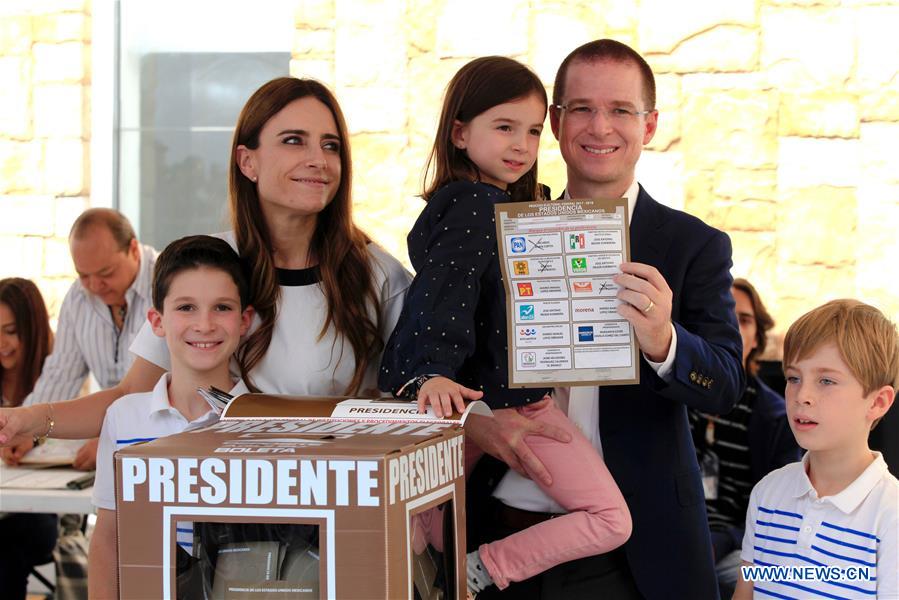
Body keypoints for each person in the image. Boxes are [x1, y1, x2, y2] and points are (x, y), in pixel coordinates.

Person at [463, 39, 744, 599]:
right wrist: (477, 420)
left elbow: (727, 384)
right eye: (582, 109)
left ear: (650, 125)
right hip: (499, 526)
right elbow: (450, 360)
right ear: (558, 122)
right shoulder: (497, 229)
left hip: (635, 545)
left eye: (621, 110)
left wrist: (666, 341)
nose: (600, 127)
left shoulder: (693, 245)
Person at [0, 78, 410, 448]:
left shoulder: (379, 275)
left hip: (340, 510)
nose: (318, 159)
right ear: (247, 162)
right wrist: (29, 419)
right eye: (293, 140)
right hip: (223, 506)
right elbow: (130, 397)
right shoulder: (207, 266)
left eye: (330, 145)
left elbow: (421, 411)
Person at [379, 56, 631, 597]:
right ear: (460, 131)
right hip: (501, 398)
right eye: (504, 127)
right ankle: (485, 567)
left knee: (427, 519)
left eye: (535, 130)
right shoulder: (474, 204)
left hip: (481, 398)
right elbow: (442, 293)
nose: (522, 144)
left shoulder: (495, 206)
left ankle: (425, 562)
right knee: (612, 517)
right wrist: (428, 374)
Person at [88, 235, 254, 598]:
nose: (205, 324)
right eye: (186, 308)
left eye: (222, 308)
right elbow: (108, 538)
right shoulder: (123, 418)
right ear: (157, 321)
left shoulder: (261, 424)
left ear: (244, 320)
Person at [734, 299, 898, 599]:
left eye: (826, 380)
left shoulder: (891, 512)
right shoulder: (768, 492)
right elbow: (745, 593)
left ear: (877, 402)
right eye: (794, 378)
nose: (802, 395)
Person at [1, 208, 157, 471]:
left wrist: (117, 437)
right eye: (84, 275)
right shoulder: (77, 298)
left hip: (164, 447)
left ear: (133, 249)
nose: (95, 286)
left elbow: (175, 390)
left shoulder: (169, 284)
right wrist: (28, 430)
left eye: (106, 273)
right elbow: (60, 374)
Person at [689, 278, 800, 598]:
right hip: (669, 534)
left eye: (745, 319)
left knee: (769, 580)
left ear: (756, 338)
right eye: (724, 315)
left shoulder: (778, 417)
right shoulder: (675, 395)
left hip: (736, 545)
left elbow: (781, 510)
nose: (734, 326)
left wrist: (723, 540)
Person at [0, 278, 58, 600]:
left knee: (8, 543)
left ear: (32, 328)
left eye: (11, 331)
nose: (2, 342)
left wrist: (34, 441)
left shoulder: (59, 377)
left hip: (44, 512)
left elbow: (77, 439)